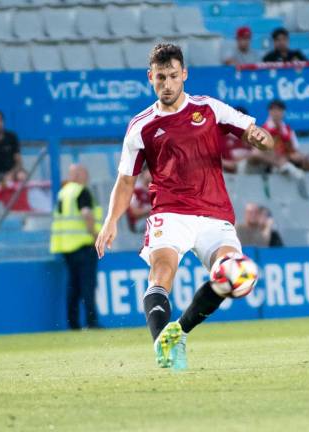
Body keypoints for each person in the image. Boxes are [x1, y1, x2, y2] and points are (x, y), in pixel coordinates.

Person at [94, 43, 273, 370]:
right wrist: (111, 221)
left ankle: (179, 332)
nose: (167, 83)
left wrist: (260, 137)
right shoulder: (141, 126)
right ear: (150, 77)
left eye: (173, 76)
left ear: (184, 75)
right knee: (161, 272)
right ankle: (164, 347)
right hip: (170, 213)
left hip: (215, 214)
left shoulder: (209, 109)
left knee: (236, 274)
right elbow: (125, 181)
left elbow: (254, 132)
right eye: (160, 77)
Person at [50, 164, 102, 330]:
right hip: (83, 245)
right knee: (88, 285)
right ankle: (91, 322)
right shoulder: (81, 191)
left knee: (73, 287)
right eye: (85, 174)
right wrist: (96, 237)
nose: (86, 178)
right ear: (79, 175)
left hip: (66, 247)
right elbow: (86, 214)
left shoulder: (63, 193)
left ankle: (72, 323)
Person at [261, 99, 309, 176]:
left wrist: (300, 155)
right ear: (269, 112)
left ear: (283, 112)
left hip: (289, 158)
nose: (276, 113)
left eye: (279, 110)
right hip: (273, 161)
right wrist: (288, 156)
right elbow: (265, 151)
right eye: (274, 110)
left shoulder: (288, 130)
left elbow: (295, 149)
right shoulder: (264, 129)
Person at [220, 106, 254, 173]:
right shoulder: (222, 136)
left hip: (247, 169)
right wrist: (227, 164)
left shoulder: (251, 137)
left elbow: (256, 154)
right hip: (227, 171)